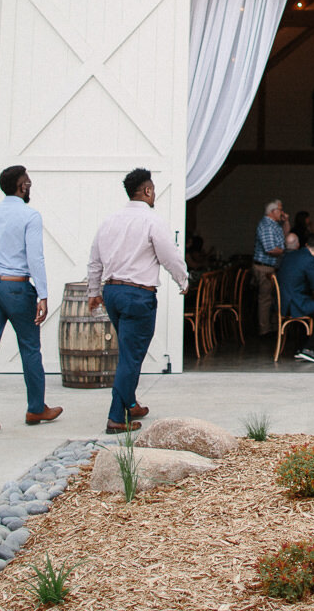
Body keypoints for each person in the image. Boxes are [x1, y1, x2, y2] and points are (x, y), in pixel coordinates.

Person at [86, 168, 189, 434]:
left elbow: (95, 260)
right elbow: (169, 255)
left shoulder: (109, 221)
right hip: (137, 295)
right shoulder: (152, 221)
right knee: (131, 357)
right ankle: (116, 418)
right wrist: (183, 279)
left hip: (112, 293)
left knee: (128, 352)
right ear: (147, 191)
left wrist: (93, 292)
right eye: (152, 190)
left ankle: (130, 402)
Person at [0, 165, 60, 437]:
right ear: (22, 186)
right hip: (16, 288)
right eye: (28, 182)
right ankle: (35, 408)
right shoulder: (29, 216)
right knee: (30, 348)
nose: (30, 186)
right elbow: (35, 258)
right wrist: (42, 294)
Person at [277, 234, 314, 363]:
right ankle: (308, 349)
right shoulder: (310, 259)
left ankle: (304, 348)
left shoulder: (290, 255)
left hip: (284, 301)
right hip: (296, 302)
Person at [251, 198, 288, 337]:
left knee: (273, 298)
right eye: (280, 209)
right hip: (264, 267)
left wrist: (286, 221)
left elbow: (285, 236)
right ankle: (264, 330)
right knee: (265, 298)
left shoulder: (275, 224)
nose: (282, 212)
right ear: (273, 211)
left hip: (273, 267)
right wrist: (286, 252)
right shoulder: (266, 225)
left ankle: (273, 327)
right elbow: (270, 249)